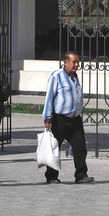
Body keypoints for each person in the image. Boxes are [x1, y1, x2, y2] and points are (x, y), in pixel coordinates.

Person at [42, 51, 93, 184]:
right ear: (65, 62)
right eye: (74, 62)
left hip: (75, 119)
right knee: (55, 148)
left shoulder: (75, 77)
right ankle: (52, 176)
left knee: (80, 148)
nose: (77, 65)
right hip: (59, 119)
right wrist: (47, 118)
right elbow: (50, 97)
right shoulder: (56, 76)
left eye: (78, 62)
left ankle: (81, 175)